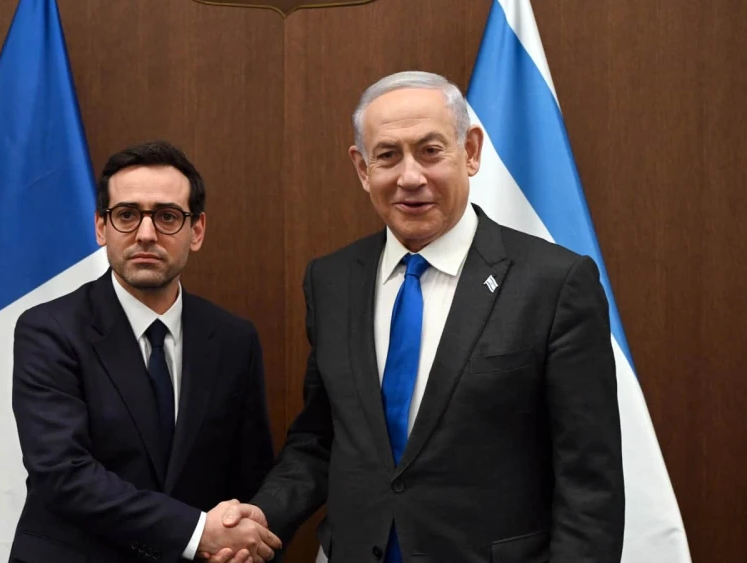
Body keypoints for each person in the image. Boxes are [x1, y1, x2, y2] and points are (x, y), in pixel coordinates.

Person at [212, 71, 625, 563]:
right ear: (362, 169)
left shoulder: (554, 283)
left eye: (431, 151)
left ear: (470, 151)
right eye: (387, 155)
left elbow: (589, 483)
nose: (410, 177)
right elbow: (322, 437)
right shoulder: (332, 280)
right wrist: (265, 514)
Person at [9, 140, 282, 563]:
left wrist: (238, 543)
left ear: (198, 231)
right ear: (101, 227)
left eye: (168, 216)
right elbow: (62, 474)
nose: (146, 234)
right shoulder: (49, 330)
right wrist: (195, 533)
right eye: (127, 215)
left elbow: (249, 477)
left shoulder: (233, 339)